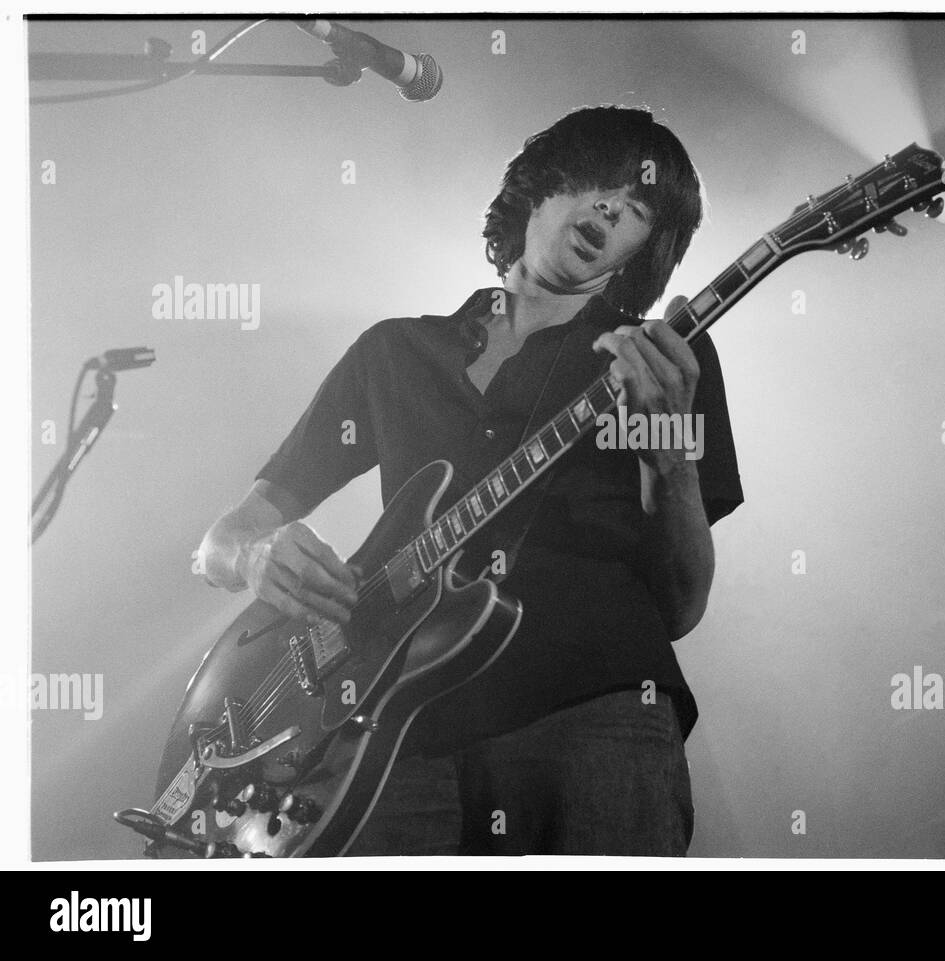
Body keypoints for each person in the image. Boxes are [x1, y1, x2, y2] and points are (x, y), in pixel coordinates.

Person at [197, 105, 743, 855]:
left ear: (643, 250)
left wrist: (669, 457)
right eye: (595, 183)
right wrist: (256, 557)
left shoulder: (660, 360)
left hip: (594, 718)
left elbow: (681, 604)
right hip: (389, 738)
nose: (612, 207)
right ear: (540, 189)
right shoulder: (393, 353)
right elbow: (221, 542)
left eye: (639, 208)